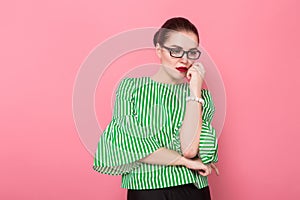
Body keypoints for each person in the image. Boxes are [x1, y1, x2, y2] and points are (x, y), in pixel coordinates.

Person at [93, 17, 219, 200]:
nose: (184, 59)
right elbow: (131, 145)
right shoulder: (131, 88)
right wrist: (185, 163)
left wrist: (194, 91)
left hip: (192, 190)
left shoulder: (200, 97)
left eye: (192, 53)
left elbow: (190, 149)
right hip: (147, 190)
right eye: (176, 50)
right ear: (159, 50)